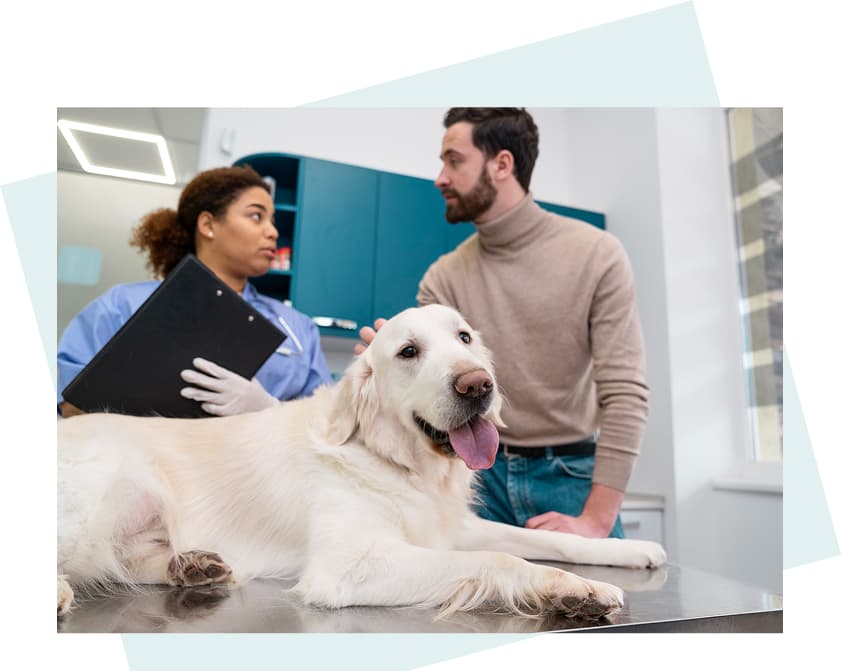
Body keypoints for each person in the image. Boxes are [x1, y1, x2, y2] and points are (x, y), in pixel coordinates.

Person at [358, 108, 648, 538]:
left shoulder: (597, 254)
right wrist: (393, 360)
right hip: (473, 475)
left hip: (570, 475)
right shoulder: (443, 276)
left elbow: (625, 392)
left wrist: (596, 519)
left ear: (502, 164)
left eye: (453, 160)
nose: (440, 177)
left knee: (602, 598)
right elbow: (435, 391)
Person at [58, 165, 331, 417]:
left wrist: (269, 410)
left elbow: (326, 423)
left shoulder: (299, 328)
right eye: (256, 216)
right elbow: (67, 403)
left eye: (273, 220)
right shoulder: (123, 305)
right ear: (208, 225)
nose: (272, 231)